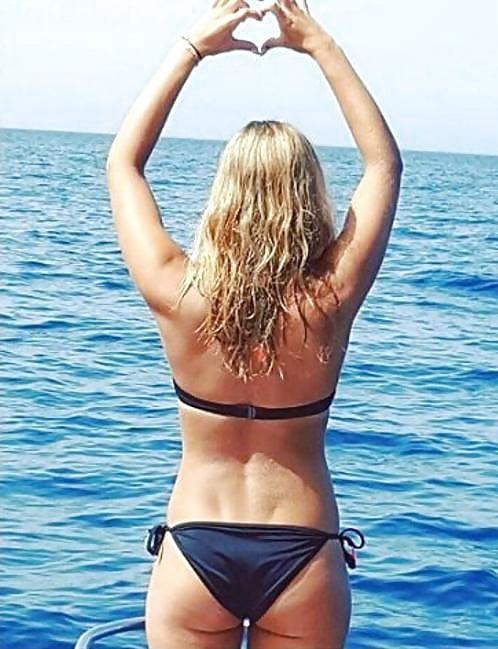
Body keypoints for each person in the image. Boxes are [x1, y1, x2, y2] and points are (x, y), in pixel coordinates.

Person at [105, 1, 402, 647]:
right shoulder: (329, 297)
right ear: (309, 196)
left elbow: (123, 163)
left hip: (196, 546)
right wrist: (317, 43)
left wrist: (191, 48)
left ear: (223, 195)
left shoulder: (177, 291)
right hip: (302, 548)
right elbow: (383, 165)